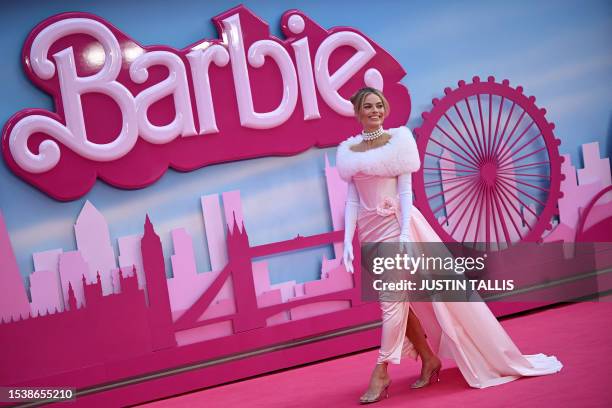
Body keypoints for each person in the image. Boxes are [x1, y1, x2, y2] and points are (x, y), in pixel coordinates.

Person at [335, 87, 563, 404]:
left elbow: (405, 194)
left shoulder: (400, 142)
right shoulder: (348, 152)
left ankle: (381, 370)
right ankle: (429, 358)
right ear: (357, 112)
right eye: (367, 106)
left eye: (378, 105)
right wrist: (347, 240)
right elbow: (350, 201)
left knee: (392, 302)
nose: (374, 111)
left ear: (384, 109)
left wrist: (402, 235)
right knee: (403, 302)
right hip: (369, 232)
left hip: (396, 229)